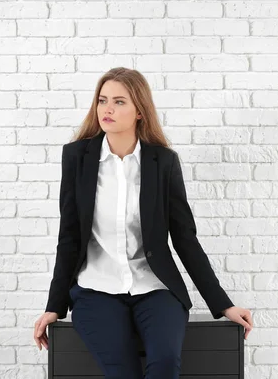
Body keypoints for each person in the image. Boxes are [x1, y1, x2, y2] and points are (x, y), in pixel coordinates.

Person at [33, 67, 253, 378]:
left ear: (139, 111)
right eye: (102, 100)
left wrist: (223, 304)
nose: (107, 109)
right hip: (96, 290)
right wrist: (54, 305)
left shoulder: (162, 162)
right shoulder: (77, 158)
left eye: (119, 102)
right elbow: (68, 237)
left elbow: (185, 238)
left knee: (164, 363)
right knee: (123, 372)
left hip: (155, 288)